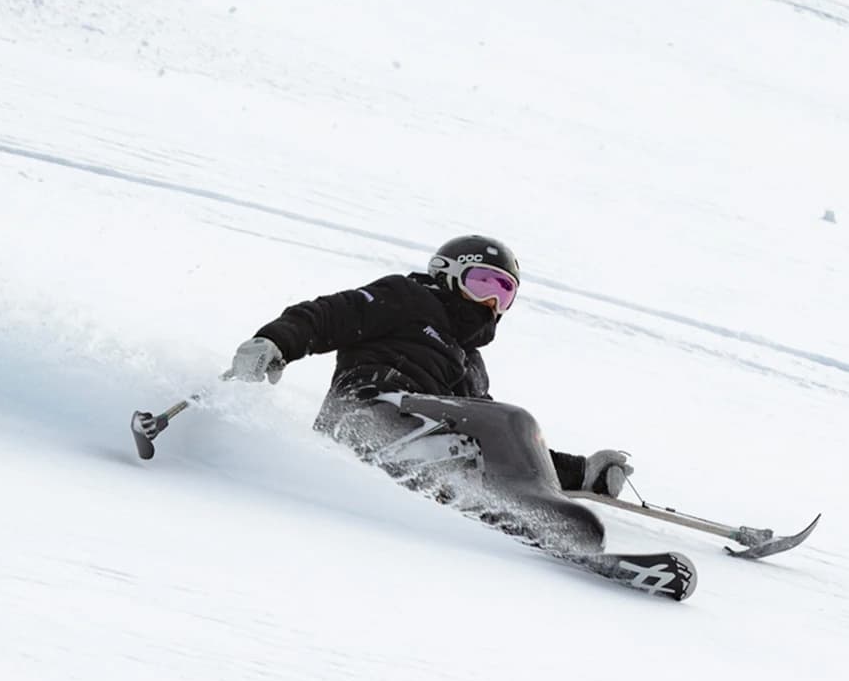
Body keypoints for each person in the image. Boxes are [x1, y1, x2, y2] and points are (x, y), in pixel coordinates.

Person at [223, 235, 636, 555]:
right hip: (366, 415)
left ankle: (510, 505)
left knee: (505, 427)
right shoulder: (406, 297)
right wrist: (274, 343)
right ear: (448, 275)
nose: (491, 303)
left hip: (422, 436)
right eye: (483, 284)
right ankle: (536, 512)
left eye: (504, 294)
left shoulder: (469, 361)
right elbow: (328, 314)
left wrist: (583, 472)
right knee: (515, 420)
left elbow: (502, 442)